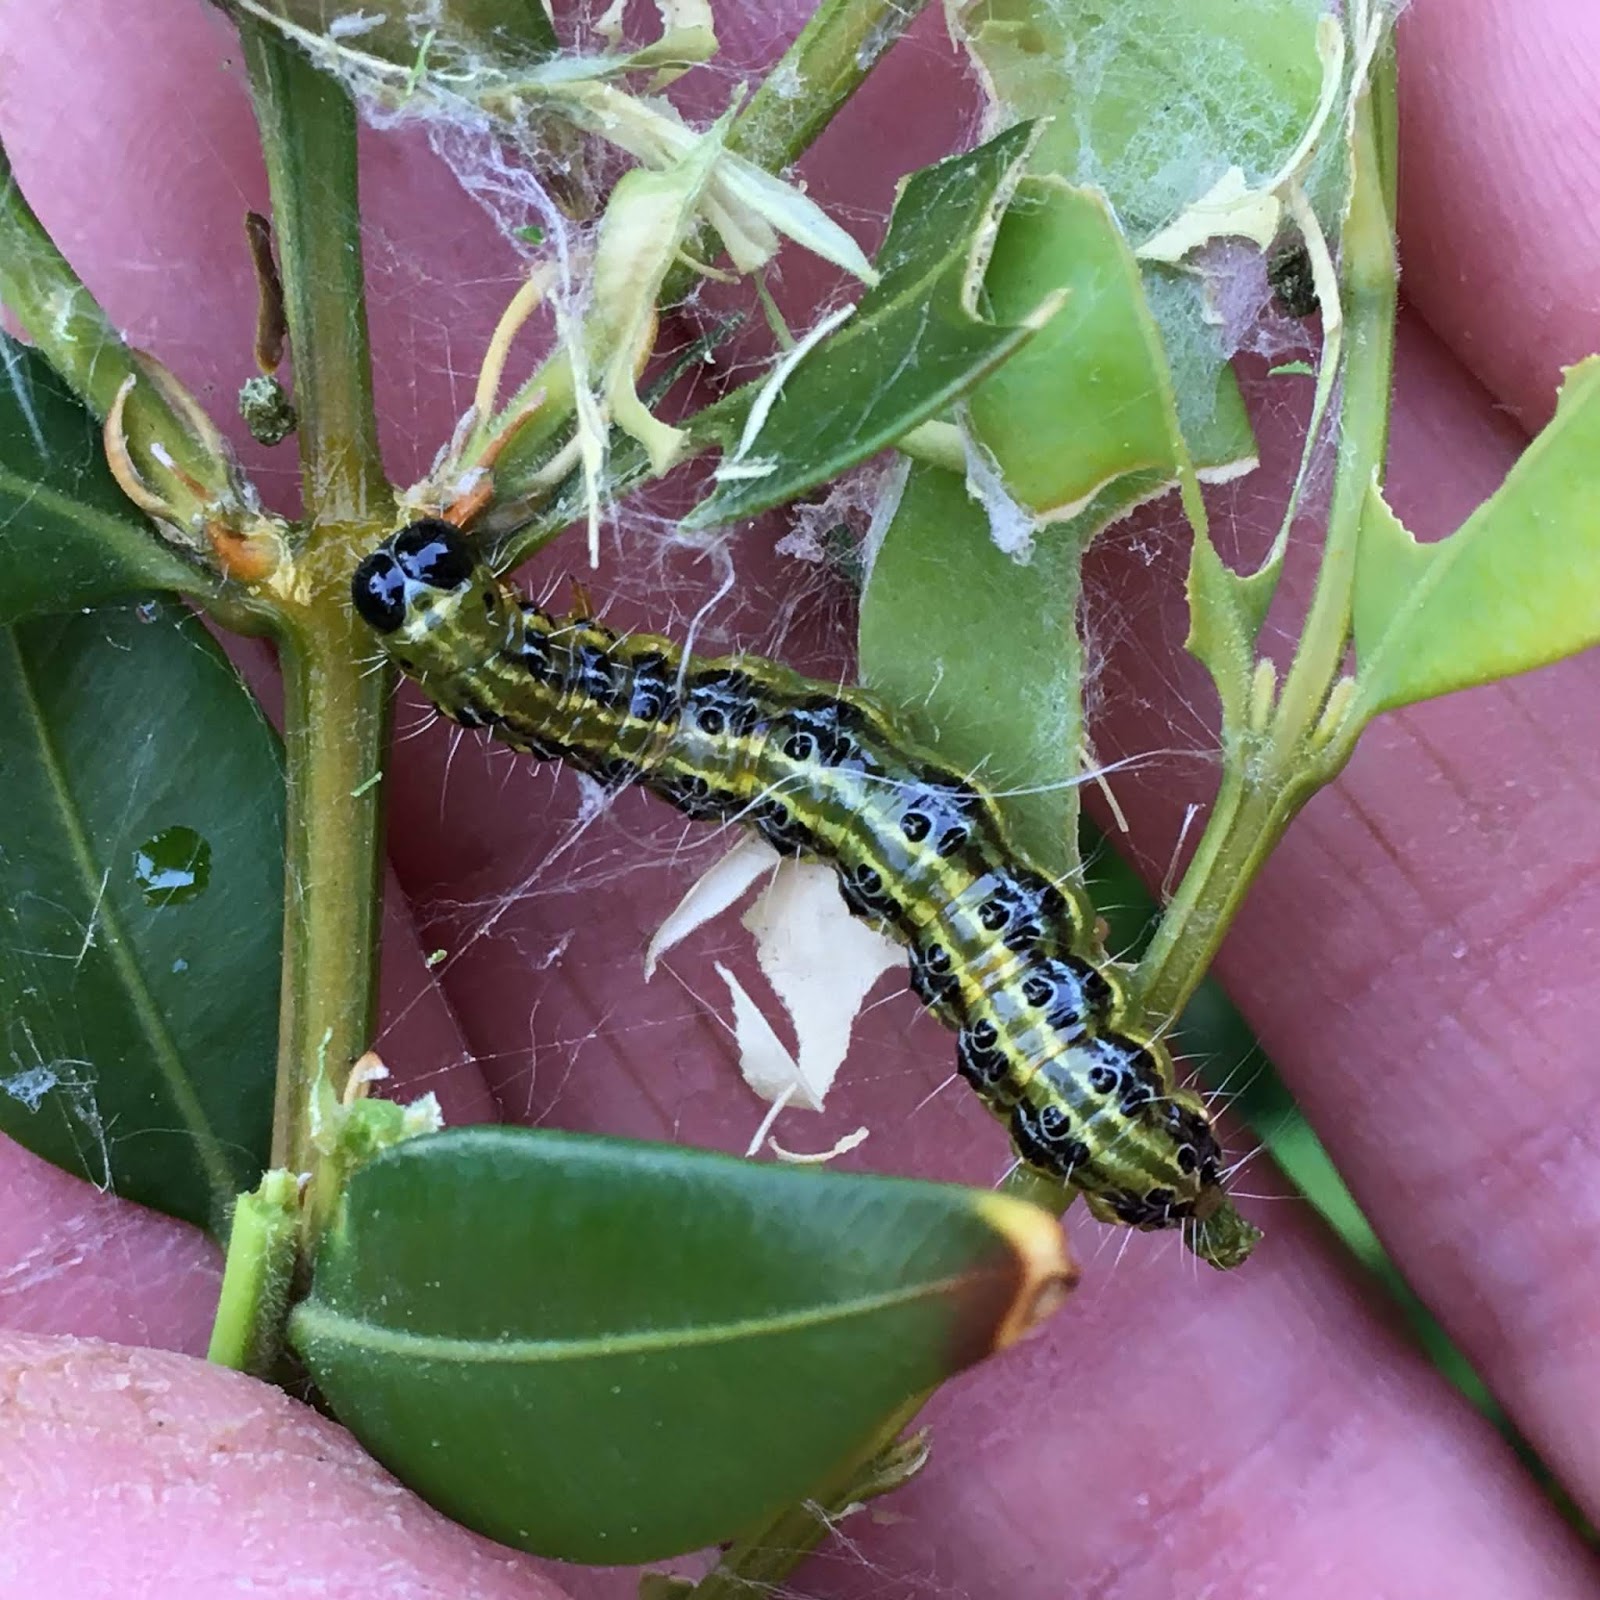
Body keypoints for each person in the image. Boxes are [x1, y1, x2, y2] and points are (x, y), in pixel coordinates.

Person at [3, 0, 1599, 1594]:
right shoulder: (586, 687)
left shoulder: (568, 687)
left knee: (842, 786)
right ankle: (1126, 1139)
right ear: (475, 632)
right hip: (956, 927)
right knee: (841, 787)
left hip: (949, 919)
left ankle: (1127, 1137)